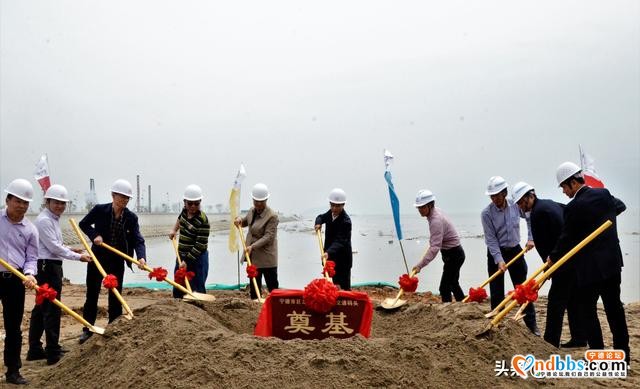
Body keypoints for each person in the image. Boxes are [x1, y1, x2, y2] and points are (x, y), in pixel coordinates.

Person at [548, 162, 629, 365]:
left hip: (590, 270)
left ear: (573, 183)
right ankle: (624, 356)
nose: (565, 192)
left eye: (565, 188)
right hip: (612, 264)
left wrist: (552, 258)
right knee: (614, 310)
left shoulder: (574, 207)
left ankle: (598, 354)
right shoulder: (604, 195)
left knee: (587, 310)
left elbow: (566, 238)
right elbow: (620, 206)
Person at [512, 181, 586, 348]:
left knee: (555, 302)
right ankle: (579, 338)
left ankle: (551, 341)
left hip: (562, 261)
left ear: (530, 197)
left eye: (521, 202)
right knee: (573, 299)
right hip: (568, 259)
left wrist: (551, 259)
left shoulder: (539, 212)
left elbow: (557, 237)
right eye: (518, 204)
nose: (520, 207)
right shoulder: (549, 204)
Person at [27, 185, 92, 365]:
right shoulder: (45, 220)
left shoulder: (52, 218)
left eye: (63, 203)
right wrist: (79, 257)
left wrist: (72, 249)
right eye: (56, 202)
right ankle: (53, 352)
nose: (60, 206)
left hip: (49, 265)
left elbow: (55, 244)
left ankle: (35, 349)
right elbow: (54, 248)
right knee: (51, 309)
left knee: (41, 308)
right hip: (47, 267)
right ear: (47, 201)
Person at [78, 179, 146, 344]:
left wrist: (141, 257)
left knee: (115, 295)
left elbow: (138, 239)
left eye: (127, 198)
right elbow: (83, 224)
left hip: (117, 260)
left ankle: (113, 327)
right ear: (113, 195)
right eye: (121, 196)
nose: (124, 200)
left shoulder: (131, 217)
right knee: (92, 294)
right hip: (97, 259)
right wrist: (95, 236)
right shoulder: (100, 210)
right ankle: (88, 328)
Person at [481, 176, 539, 335]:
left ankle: (532, 326)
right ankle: (496, 324)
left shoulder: (516, 205)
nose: (494, 199)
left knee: (522, 289)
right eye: (491, 196)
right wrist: (499, 260)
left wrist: (531, 238)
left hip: (515, 249)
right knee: (496, 291)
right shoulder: (486, 214)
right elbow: (491, 240)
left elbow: (529, 218)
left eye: (497, 195)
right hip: (496, 252)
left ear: (505, 193)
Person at [0, 179, 38, 385]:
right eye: (18, 201)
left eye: (26, 202)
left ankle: (13, 371)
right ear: (8, 200)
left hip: (16, 280)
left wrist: (30, 273)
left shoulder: (31, 230)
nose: (22, 206)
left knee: (14, 327)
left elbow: (32, 258)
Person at [410, 189, 466, 302]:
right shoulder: (435, 212)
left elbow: (435, 248)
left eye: (422, 207)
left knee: (444, 287)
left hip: (454, 255)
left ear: (430, 205)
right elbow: (437, 240)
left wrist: (420, 265)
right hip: (453, 253)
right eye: (418, 207)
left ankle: (448, 311)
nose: (420, 210)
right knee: (453, 283)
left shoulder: (436, 220)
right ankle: (463, 304)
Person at [234, 183, 279, 300]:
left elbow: (268, 237)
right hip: (253, 256)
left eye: (261, 201)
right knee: (254, 285)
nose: (258, 204)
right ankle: (255, 304)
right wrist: (239, 220)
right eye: (256, 201)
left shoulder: (272, 216)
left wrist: (252, 246)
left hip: (267, 257)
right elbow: (246, 222)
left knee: (273, 287)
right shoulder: (252, 211)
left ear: (266, 199)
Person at [169, 184, 210, 297]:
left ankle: (198, 307)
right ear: (185, 202)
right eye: (190, 203)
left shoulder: (203, 220)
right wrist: (174, 230)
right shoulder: (184, 212)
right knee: (179, 283)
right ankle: (178, 303)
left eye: (196, 204)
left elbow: (199, 245)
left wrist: (186, 261)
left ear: (200, 202)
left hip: (197, 258)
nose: (193, 206)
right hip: (180, 255)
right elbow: (180, 219)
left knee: (196, 287)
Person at [314, 188, 353, 291]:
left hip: (342, 259)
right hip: (330, 257)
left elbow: (340, 241)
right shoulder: (330, 214)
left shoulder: (346, 221)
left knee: (343, 287)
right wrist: (318, 223)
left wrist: (328, 253)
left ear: (343, 205)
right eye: (332, 205)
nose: (334, 208)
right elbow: (320, 217)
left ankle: (347, 305)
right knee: (332, 283)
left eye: (338, 206)